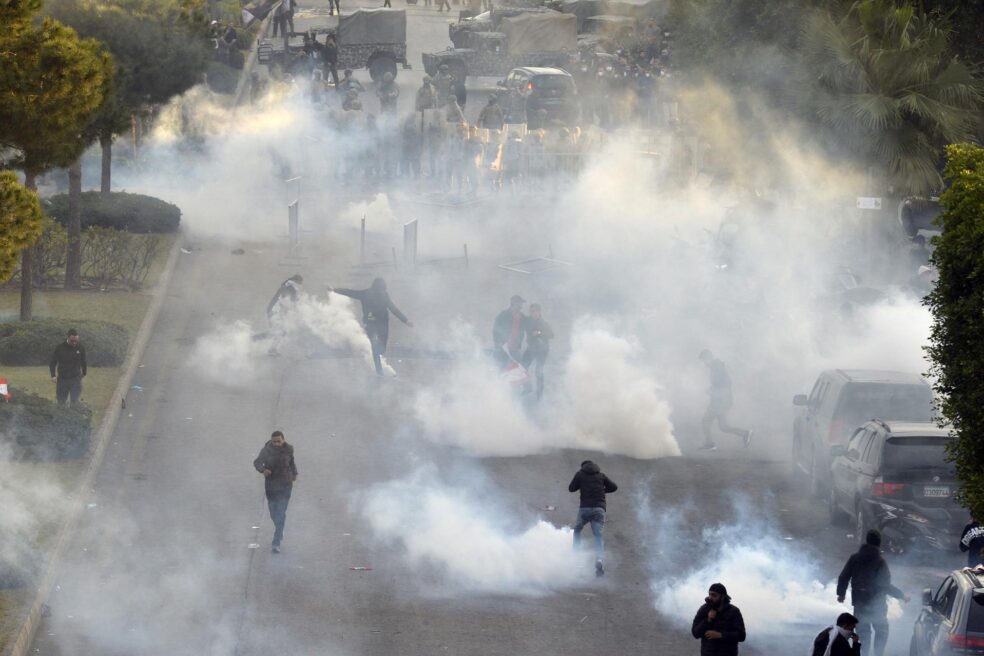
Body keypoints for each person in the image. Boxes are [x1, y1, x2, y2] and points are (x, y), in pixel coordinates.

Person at [836, 529, 909, 656]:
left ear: (867, 541)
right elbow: (885, 586)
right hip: (877, 605)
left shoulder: (855, 558)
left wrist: (841, 594)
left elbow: (843, 577)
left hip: (859, 603)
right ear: (878, 543)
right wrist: (901, 595)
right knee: (882, 630)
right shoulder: (880, 562)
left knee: (863, 632)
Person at [330, 278, 413, 375]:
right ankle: (379, 370)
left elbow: (393, 308)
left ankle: (379, 361)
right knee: (375, 346)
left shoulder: (383, 295)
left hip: (382, 323)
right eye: (381, 290)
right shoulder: (368, 294)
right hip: (370, 324)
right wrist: (334, 290)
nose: (381, 292)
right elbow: (350, 292)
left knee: (381, 348)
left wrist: (405, 320)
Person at [568, 460, 617, 576]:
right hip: (599, 509)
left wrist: (582, 485)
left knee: (577, 530)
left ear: (583, 467)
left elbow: (571, 488)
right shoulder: (601, 475)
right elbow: (614, 487)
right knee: (598, 535)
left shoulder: (580, 474)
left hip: (585, 509)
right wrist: (603, 490)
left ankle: (576, 554)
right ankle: (599, 559)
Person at [698, 350, 752, 451]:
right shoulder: (716, 367)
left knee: (706, 420)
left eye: (704, 360)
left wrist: (713, 391)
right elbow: (720, 383)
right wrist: (713, 390)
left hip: (720, 401)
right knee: (724, 427)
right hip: (722, 401)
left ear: (708, 358)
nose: (703, 363)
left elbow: (724, 383)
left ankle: (710, 444)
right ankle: (745, 433)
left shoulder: (716, 367)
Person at [253, 430, 297, 553]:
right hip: (271, 486)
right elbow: (257, 462)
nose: (277, 444)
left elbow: (292, 463)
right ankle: (280, 528)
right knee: (274, 513)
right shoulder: (266, 451)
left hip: (285, 486)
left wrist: (294, 474)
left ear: (283, 440)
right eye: (274, 442)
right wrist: (263, 470)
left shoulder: (289, 450)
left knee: (281, 512)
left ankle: (276, 541)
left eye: (279, 441)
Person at [691, 583, 746, 656]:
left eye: (714, 595)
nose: (710, 597)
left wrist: (720, 635)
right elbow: (695, 633)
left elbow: (741, 636)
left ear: (722, 597)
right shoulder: (704, 609)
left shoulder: (734, 611)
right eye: (709, 594)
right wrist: (707, 620)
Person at [521, 303, 553, 400]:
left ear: (539, 312)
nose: (532, 313)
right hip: (531, 348)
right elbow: (521, 319)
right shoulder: (528, 320)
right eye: (530, 311)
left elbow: (551, 334)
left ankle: (539, 395)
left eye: (534, 311)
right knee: (522, 367)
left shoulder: (543, 323)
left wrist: (539, 333)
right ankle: (527, 387)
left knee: (539, 371)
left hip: (542, 350)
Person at [50, 328, 87, 406]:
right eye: (72, 341)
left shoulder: (80, 348)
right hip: (63, 379)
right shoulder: (59, 348)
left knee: (75, 402)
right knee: (61, 402)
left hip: (75, 379)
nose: (74, 343)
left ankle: (74, 416)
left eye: (76, 341)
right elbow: (53, 362)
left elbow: (84, 362)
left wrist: (84, 373)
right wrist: (53, 375)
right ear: (68, 337)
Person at [492, 294, 526, 369]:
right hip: (504, 346)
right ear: (514, 303)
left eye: (521, 304)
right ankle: (498, 380)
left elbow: (528, 326)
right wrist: (497, 342)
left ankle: (511, 380)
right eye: (519, 303)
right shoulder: (504, 314)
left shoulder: (522, 317)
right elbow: (495, 328)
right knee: (502, 366)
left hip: (516, 347)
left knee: (515, 368)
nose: (521, 306)